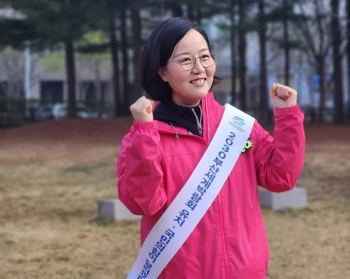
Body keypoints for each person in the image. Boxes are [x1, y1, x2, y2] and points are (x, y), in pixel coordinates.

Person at [117, 17, 305, 279]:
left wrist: (288, 117)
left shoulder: (237, 126)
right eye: (185, 60)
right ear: (162, 72)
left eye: (205, 57)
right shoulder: (146, 134)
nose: (199, 68)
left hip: (245, 271)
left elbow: (281, 177)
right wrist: (145, 134)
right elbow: (143, 203)